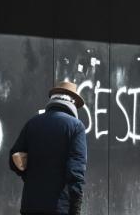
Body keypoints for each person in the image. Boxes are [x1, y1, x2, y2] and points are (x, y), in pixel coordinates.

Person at [9, 81, 88, 215]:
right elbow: (75, 173)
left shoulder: (32, 123)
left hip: (30, 205)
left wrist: (30, 178)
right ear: (72, 103)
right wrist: (76, 209)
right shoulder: (76, 127)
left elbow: (14, 161)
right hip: (59, 207)